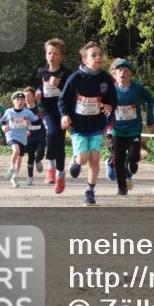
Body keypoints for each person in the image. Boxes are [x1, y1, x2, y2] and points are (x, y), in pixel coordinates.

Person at [58, 41, 117, 205]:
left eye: (100, 54)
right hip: (78, 126)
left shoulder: (106, 78)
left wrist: (110, 106)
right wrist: (64, 115)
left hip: (97, 125)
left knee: (95, 160)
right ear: (85, 60)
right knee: (84, 159)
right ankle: (75, 161)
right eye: (94, 55)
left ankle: (90, 192)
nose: (98, 57)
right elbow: (62, 99)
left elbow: (112, 98)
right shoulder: (75, 78)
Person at [109, 58, 154, 195]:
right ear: (115, 74)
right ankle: (122, 188)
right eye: (120, 71)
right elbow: (106, 107)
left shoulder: (137, 88)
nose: (122, 73)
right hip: (118, 130)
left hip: (134, 129)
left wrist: (150, 117)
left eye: (126, 71)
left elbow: (150, 99)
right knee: (118, 160)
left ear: (131, 74)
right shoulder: (112, 91)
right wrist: (103, 124)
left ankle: (133, 163)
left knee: (133, 155)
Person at [38, 38, 73, 193]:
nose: (51, 56)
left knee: (59, 142)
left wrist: (59, 84)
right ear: (46, 55)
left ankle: (60, 175)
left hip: (62, 111)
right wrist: (37, 92)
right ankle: (51, 169)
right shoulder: (41, 72)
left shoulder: (67, 73)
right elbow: (37, 87)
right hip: (47, 110)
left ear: (61, 56)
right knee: (52, 134)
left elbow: (72, 92)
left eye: (55, 54)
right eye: (49, 53)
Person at [1, 92, 40, 188]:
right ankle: (11, 168)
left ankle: (15, 176)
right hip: (11, 136)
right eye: (17, 100)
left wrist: (29, 122)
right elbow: (3, 121)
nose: (20, 101)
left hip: (22, 137)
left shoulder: (27, 112)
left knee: (20, 159)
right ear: (13, 101)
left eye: (22, 99)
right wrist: (3, 127)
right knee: (16, 150)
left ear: (24, 101)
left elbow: (38, 120)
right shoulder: (9, 112)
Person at [24, 87, 46, 185]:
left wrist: (34, 121)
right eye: (24, 96)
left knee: (41, 151)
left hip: (40, 134)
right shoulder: (23, 110)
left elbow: (44, 120)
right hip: (29, 136)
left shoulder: (39, 108)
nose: (26, 98)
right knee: (30, 156)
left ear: (33, 97)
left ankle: (38, 160)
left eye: (28, 96)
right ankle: (30, 176)